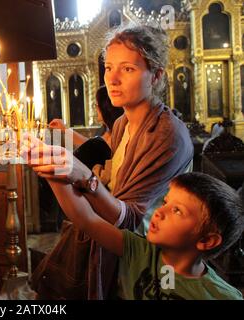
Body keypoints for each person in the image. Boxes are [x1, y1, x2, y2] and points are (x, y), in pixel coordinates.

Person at [24, 22, 194, 299]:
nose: (112, 79)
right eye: (109, 67)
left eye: (127, 69)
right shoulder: (123, 124)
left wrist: (84, 177)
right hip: (121, 244)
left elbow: (127, 219)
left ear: (155, 75)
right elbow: (113, 185)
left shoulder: (166, 134)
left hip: (150, 257)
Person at [28, 167, 244, 299]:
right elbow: (86, 219)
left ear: (207, 240)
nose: (160, 212)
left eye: (177, 210)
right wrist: (53, 170)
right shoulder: (140, 251)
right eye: (166, 202)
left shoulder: (221, 296)